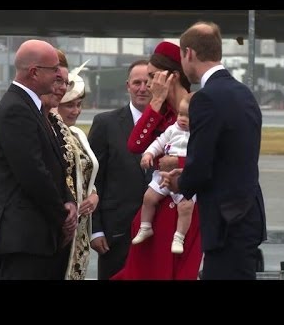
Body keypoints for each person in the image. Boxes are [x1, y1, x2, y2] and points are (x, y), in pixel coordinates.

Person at [160, 21, 267, 280]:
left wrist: (179, 181)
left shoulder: (206, 98)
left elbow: (201, 163)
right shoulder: (243, 93)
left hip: (225, 222)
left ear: (189, 54)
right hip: (247, 215)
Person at [112, 41, 202, 280]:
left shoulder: (196, 109)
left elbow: (214, 157)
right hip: (158, 212)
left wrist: (179, 163)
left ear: (172, 76)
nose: (148, 84)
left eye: (152, 76)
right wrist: (155, 102)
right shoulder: (161, 113)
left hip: (186, 212)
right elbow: (135, 145)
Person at [0, 39, 78, 280]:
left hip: (39, 236)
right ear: (34, 72)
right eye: (54, 69)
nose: (59, 74)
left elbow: (55, 164)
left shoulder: (34, 108)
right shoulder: (15, 110)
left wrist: (69, 201)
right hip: (24, 238)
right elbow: (33, 174)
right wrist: (63, 217)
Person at [87, 59, 152, 280]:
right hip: (115, 236)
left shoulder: (169, 125)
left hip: (156, 233)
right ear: (127, 86)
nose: (143, 88)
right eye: (137, 82)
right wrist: (94, 229)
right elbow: (92, 179)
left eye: (148, 82)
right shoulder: (106, 124)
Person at [131, 92, 196, 255]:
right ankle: (145, 226)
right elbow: (158, 143)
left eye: (188, 116)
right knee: (149, 197)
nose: (182, 119)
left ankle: (179, 237)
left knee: (186, 207)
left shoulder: (199, 135)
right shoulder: (172, 129)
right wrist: (148, 154)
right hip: (163, 176)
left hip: (185, 179)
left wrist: (179, 162)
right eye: (180, 114)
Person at [53, 59, 99, 280]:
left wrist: (94, 195)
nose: (76, 111)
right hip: (63, 224)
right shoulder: (52, 133)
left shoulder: (79, 134)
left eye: (79, 104)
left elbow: (87, 173)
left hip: (81, 227)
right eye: (70, 105)